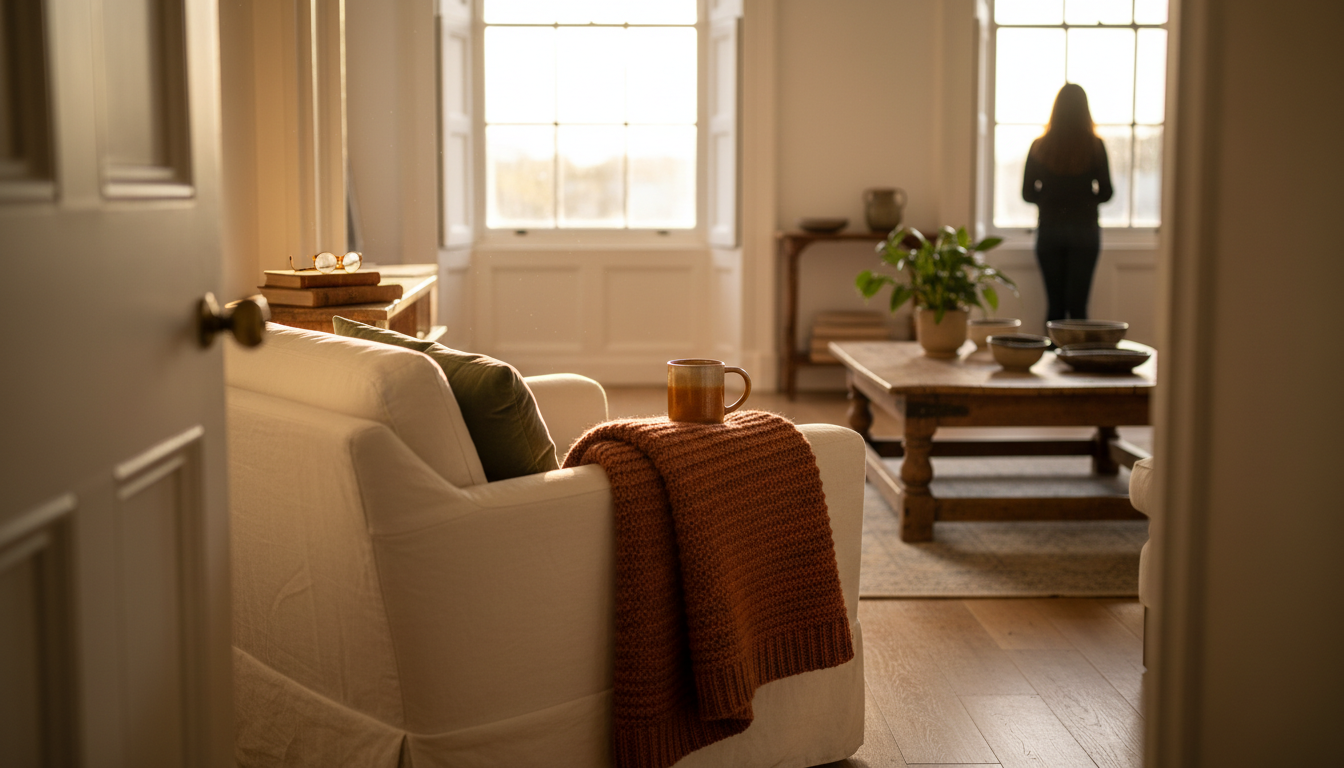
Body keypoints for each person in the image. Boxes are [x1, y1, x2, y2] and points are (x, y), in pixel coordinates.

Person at [1022, 83, 1113, 323]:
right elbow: (1107, 192)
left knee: (1055, 308)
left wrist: (1053, 199)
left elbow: (1027, 193)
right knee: (1078, 308)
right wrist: (1082, 199)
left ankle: (1052, 358)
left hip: (1050, 229)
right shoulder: (1095, 146)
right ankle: (1078, 360)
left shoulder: (1040, 147)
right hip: (1085, 230)